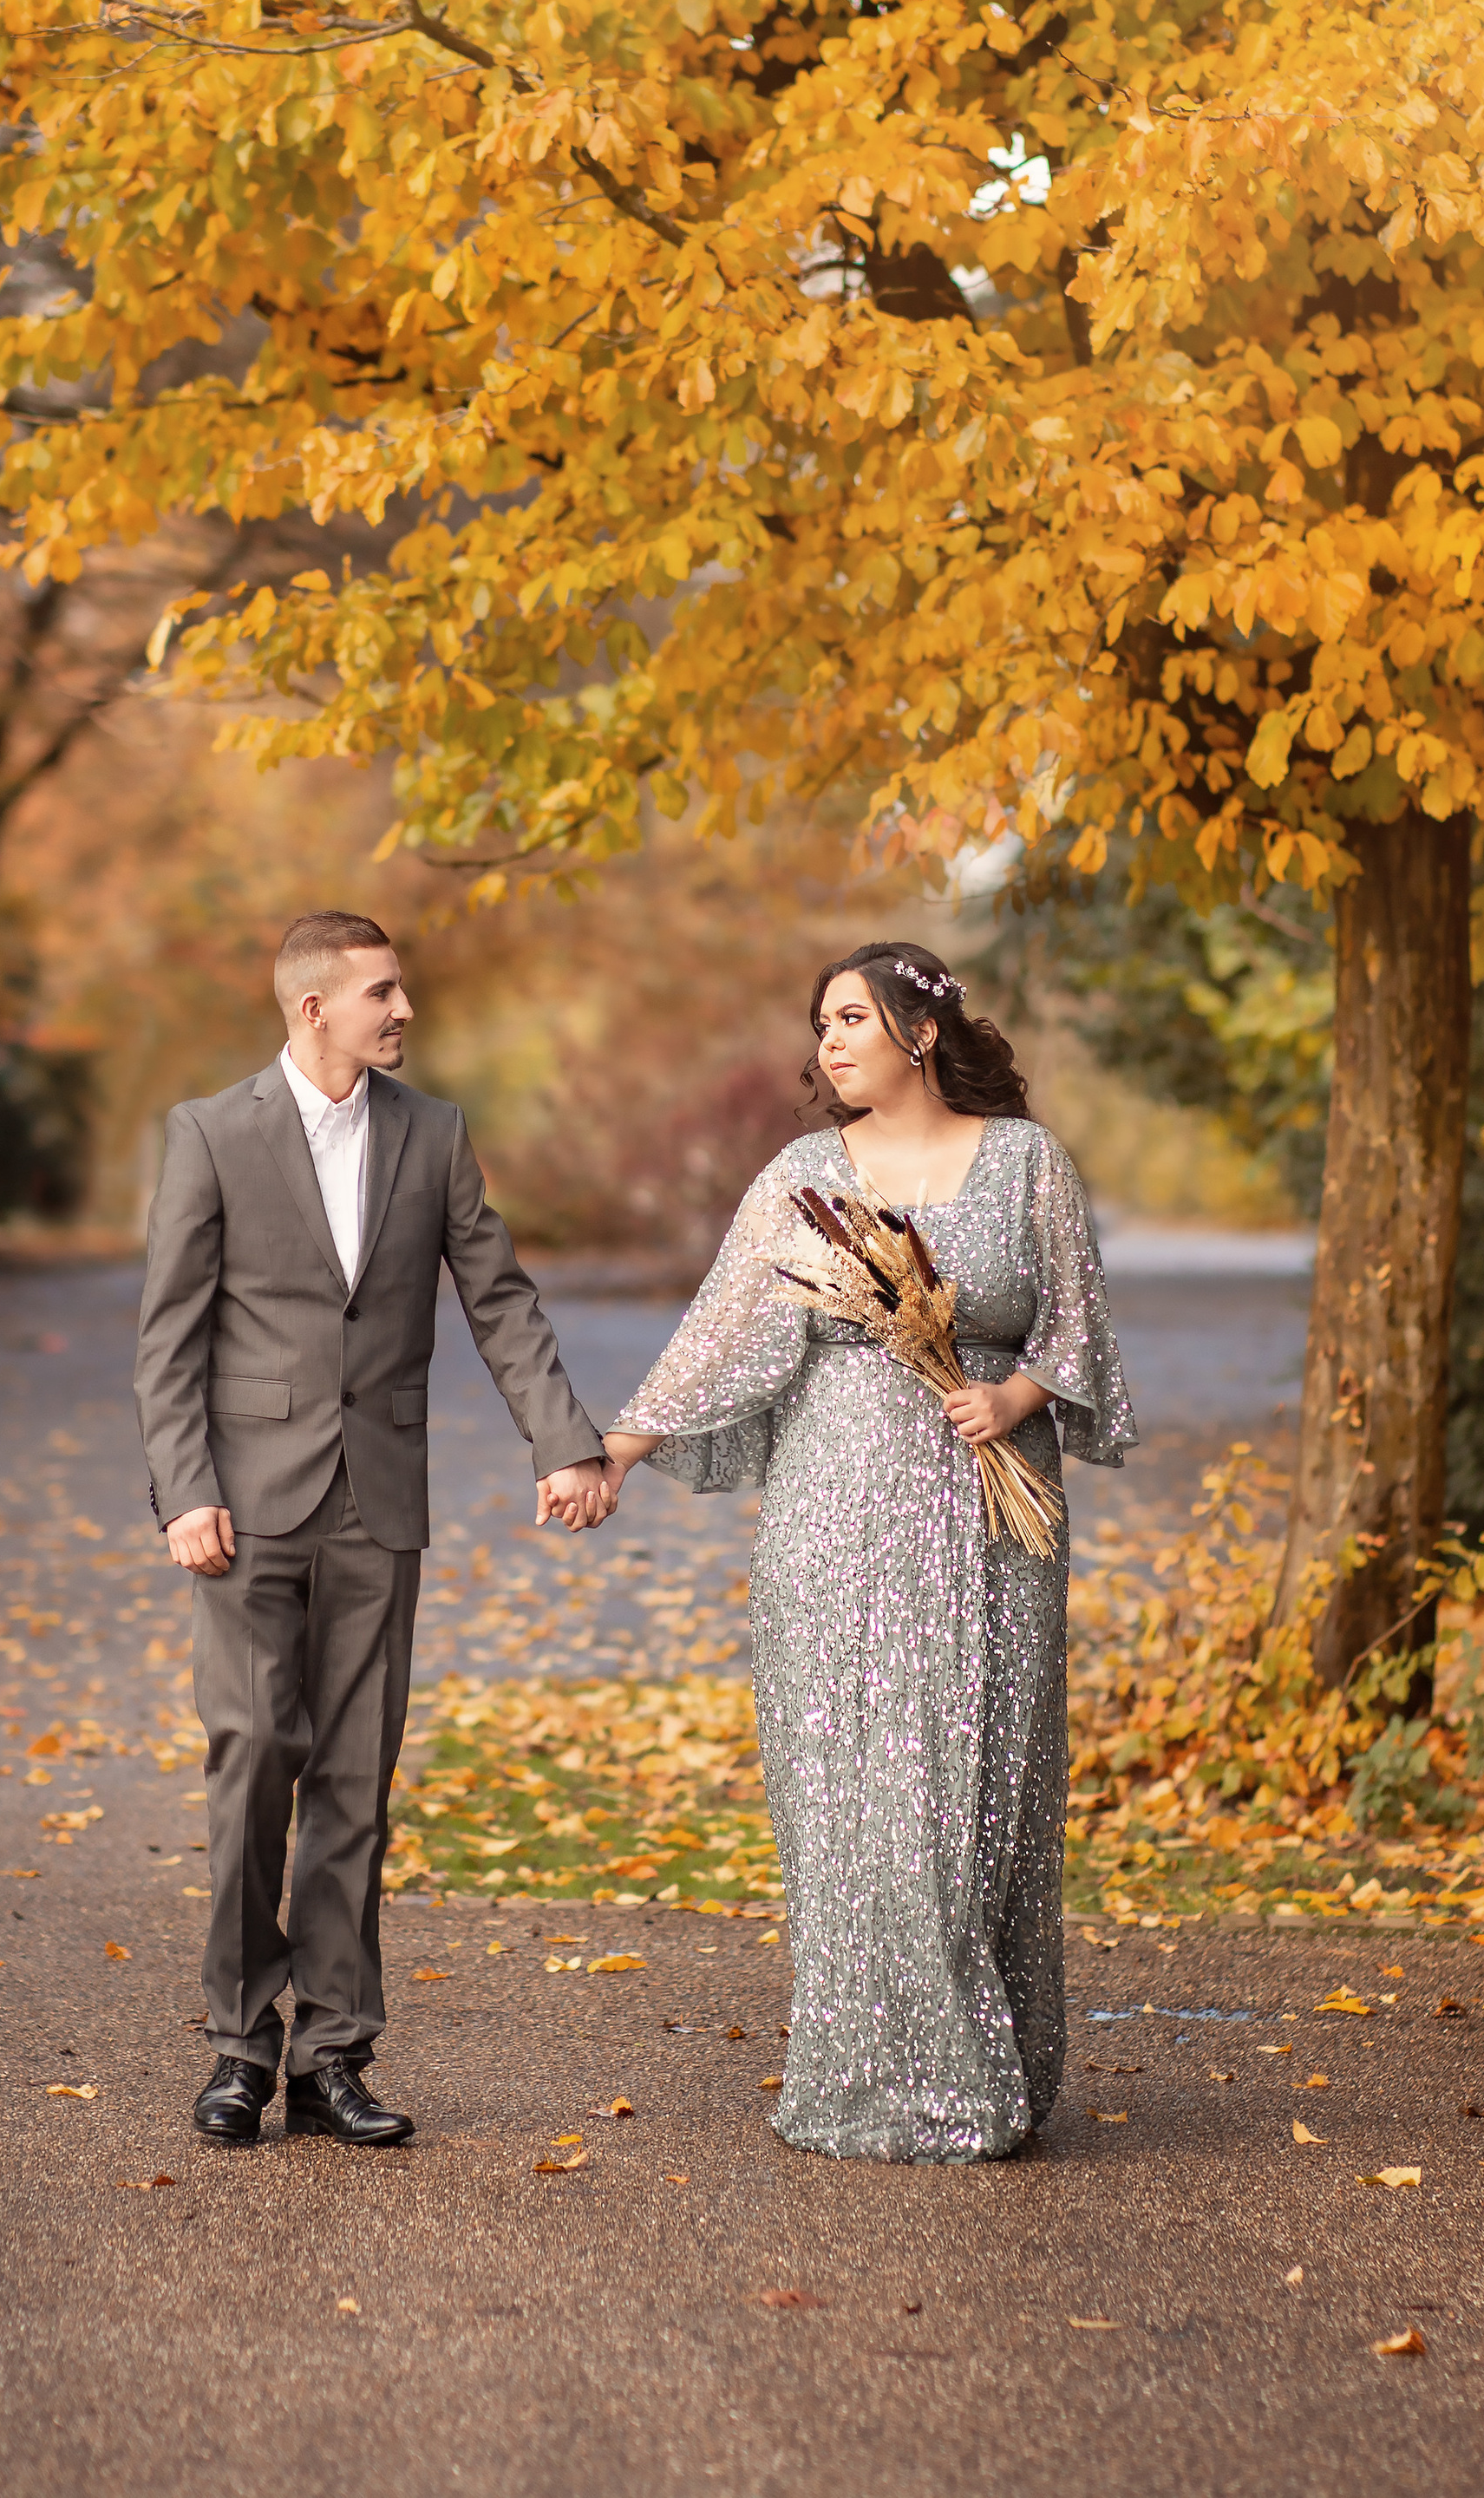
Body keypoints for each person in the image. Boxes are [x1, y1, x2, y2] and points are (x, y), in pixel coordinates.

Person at [597, 942, 1134, 2161]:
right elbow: (719, 1331)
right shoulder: (798, 1174)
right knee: (849, 1793)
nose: (829, 1042)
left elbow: (1081, 1324)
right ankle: (866, 2069)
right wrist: (617, 1449)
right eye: (822, 1022)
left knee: (975, 1792)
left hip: (994, 1523)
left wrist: (1016, 1398)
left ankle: (977, 2070)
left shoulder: (1027, 1164)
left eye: (852, 1018)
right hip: (832, 1517)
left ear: (921, 1031)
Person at [133, 910, 611, 2150]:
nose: (404, 1011)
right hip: (240, 1507)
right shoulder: (211, 1134)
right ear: (315, 1008)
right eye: (383, 993)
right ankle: (242, 2046)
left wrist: (563, 1437)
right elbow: (168, 1337)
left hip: (377, 1501)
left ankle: (333, 2052)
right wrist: (185, 1488)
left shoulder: (434, 1134)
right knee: (251, 1758)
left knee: (355, 1780)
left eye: (401, 992)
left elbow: (499, 1297)